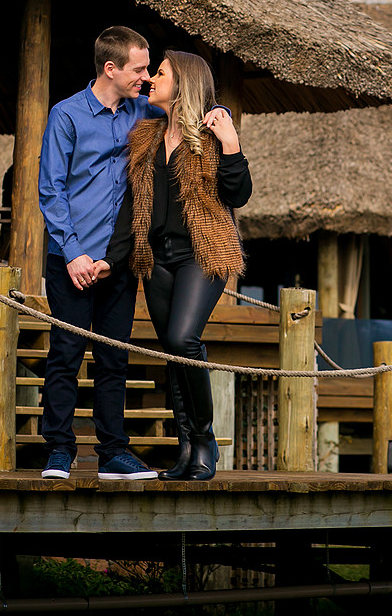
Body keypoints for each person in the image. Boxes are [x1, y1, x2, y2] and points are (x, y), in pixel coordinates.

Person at [37, 27, 228, 480]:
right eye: (139, 68)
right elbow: (51, 190)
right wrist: (74, 253)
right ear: (111, 69)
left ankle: (114, 454)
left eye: (149, 70)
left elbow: (188, 104)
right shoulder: (66, 116)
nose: (146, 77)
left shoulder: (144, 111)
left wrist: (218, 112)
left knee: (114, 359)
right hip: (73, 257)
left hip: (119, 259)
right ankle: (60, 451)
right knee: (66, 353)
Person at [96, 50, 252, 481]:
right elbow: (131, 207)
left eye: (159, 74)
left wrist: (231, 143)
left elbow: (238, 194)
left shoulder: (209, 132)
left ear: (182, 83)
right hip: (157, 257)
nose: (150, 80)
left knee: (184, 339)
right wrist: (113, 259)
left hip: (203, 254)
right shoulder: (145, 137)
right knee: (172, 352)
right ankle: (186, 452)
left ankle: (204, 444)